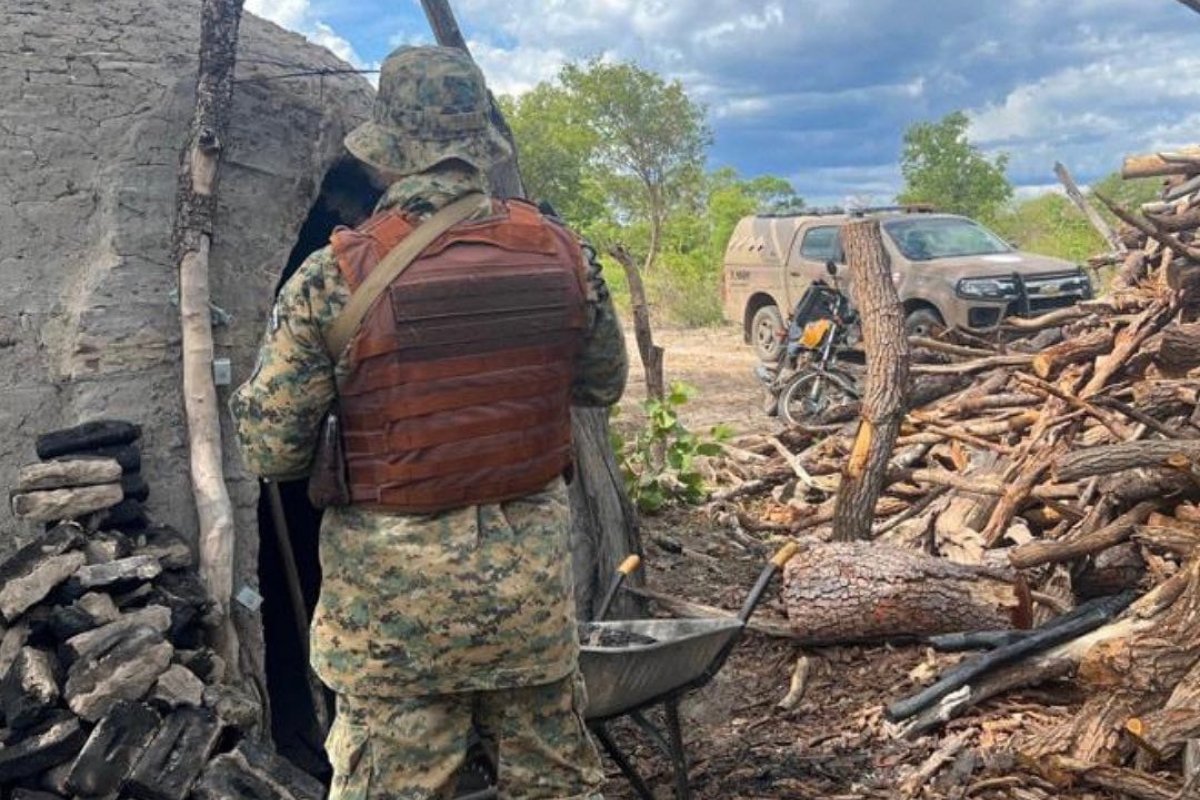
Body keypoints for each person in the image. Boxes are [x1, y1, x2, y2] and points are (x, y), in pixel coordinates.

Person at [230, 45, 627, 800]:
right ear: (480, 146)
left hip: (393, 620)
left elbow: (273, 450)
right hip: (529, 603)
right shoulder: (566, 255)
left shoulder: (332, 275)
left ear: (386, 152)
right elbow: (601, 384)